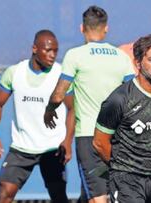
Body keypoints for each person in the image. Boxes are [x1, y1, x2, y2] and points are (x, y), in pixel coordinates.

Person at [43, 5, 135, 203]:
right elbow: (134, 98)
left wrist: (49, 110)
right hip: (118, 136)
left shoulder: (75, 55)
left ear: (81, 28)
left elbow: (59, 95)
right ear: (106, 29)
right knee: (97, 192)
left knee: (97, 197)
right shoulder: (122, 57)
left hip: (89, 136)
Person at [0, 30, 74, 203]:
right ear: (34, 48)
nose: (52, 55)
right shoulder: (14, 72)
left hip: (52, 148)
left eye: (55, 51)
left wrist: (67, 142)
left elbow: (72, 109)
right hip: (22, 147)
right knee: (5, 191)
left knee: (58, 196)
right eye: (48, 50)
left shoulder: (61, 74)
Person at [92, 34, 151, 203]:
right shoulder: (119, 99)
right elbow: (99, 142)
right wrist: (123, 166)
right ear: (138, 63)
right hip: (127, 181)